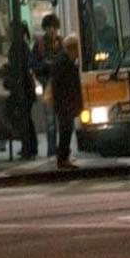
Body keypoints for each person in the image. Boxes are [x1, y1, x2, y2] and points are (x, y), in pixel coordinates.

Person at [1, 12, 40, 161]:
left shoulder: (18, 47)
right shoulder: (22, 46)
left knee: (18, 116)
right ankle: (30, 146)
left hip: (22, 89)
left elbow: (18, 68)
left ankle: (28, 146)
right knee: (25, 118)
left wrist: (7, 71)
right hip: (25, 88)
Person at [45, 32, 83, 169]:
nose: (79, 53)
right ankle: (63, 158)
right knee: (66, 129)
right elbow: (60, 85)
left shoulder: (64, 61)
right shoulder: (63, 62)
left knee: (66, 129)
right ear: (72, 49)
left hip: (65, 103)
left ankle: (64, 157)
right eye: (77, 49)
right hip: (64, 103)